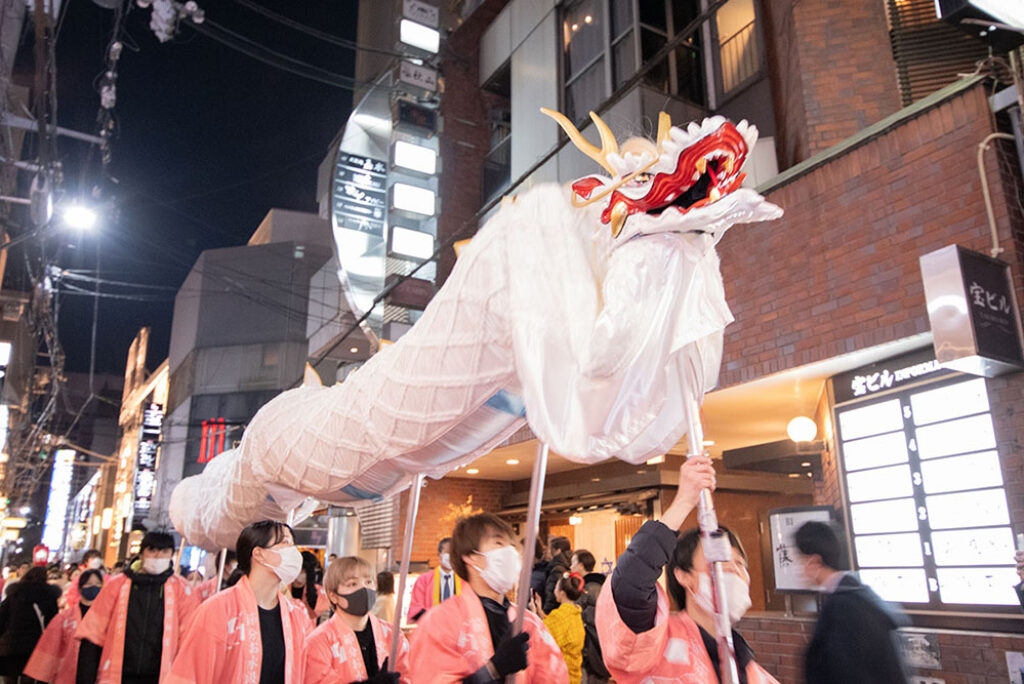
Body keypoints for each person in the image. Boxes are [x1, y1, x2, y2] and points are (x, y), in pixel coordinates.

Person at [596, 457, 779, 683]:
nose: (733, 570)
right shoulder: (654, 644)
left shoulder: (754, 672)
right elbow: (630, 585)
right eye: (719, 563)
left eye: (739, 564)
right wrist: (684, 501)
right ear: (683, 575)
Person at [408, 513, 568, 683]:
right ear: (472, 556)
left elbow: (553, 676)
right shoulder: (441, 622)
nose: (510, 552)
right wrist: (493, 670)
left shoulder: (528, 622)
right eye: (498, 543)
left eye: (512, 546)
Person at [167, 520, 311, 683]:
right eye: (285, 543)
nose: (293, 552)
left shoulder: (295, 615)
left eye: (293, 545)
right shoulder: (218, 610)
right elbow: (189, 673)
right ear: (259, 553)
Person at [76, 531, 201, 684]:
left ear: (171, 555)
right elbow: (93, 634)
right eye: (152, 550)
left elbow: (189, 641)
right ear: (141, 554)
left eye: (164, 551)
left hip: (161, 677)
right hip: (118, 675)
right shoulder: (116, 585)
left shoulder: (183, 591)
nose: (158, 556)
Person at [795, 521, 907, 684]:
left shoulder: (842, 607)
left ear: (814, 562)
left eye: (800, 560)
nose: (799, 570)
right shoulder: (860, 595)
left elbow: (846, 672)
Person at [303, 557, 410, 683]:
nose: (364, 588)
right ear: (333, 596)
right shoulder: (318, 642)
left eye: (369, 582)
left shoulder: (393, 635)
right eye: (353, 584)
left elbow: (408, 676)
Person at [23, 570, 103, 684]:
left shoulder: (107, 616)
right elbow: (50, 646)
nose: (93, 587)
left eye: (98, 583)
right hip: (70, 672)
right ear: (80, 588)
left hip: (98, 671)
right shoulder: (65, 618)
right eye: (89, 584)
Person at [0, 566, 61, 683]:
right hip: (34, 646)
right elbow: (52, 624)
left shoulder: (14, 594)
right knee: (28, 678)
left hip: (9, 645)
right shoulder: (49, 596)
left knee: (9, 678)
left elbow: (1, 619)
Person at [531, 573, 585, 684]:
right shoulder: (575, 612)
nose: (554, 590)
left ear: (562, 593)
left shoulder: (560, 616)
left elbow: (542, 636)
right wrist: (540, 611)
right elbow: (556, 627)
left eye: (556, 587)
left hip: (561, 676)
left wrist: (533, 614)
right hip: (574, 675)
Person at [569, 550, 609, 684]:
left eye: (573, 563)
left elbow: (587, 617)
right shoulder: (598, 586)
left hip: (591, 651)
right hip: (597, 649)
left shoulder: (589, 589)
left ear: (581, 565)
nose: (570, 567)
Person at [408, 538, 461, 623]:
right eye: (448, 552)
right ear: (439, 554)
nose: (452, 556)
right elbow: (416, 609)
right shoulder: (424, 580)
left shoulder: (464, 581)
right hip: (431, 626)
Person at [291, 552, 328, 624]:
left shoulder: (318, 592)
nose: (301, 573)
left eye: (305, 571)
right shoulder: (284, 589)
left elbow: (320, 613)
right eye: (301, 570)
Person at [542, 537, 572, 613]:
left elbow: (551, 595)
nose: (550, 552)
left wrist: (545, 612)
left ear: (558, 550)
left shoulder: (557, 568)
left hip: (555, 611)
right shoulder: (572, 563)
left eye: (551, 549)